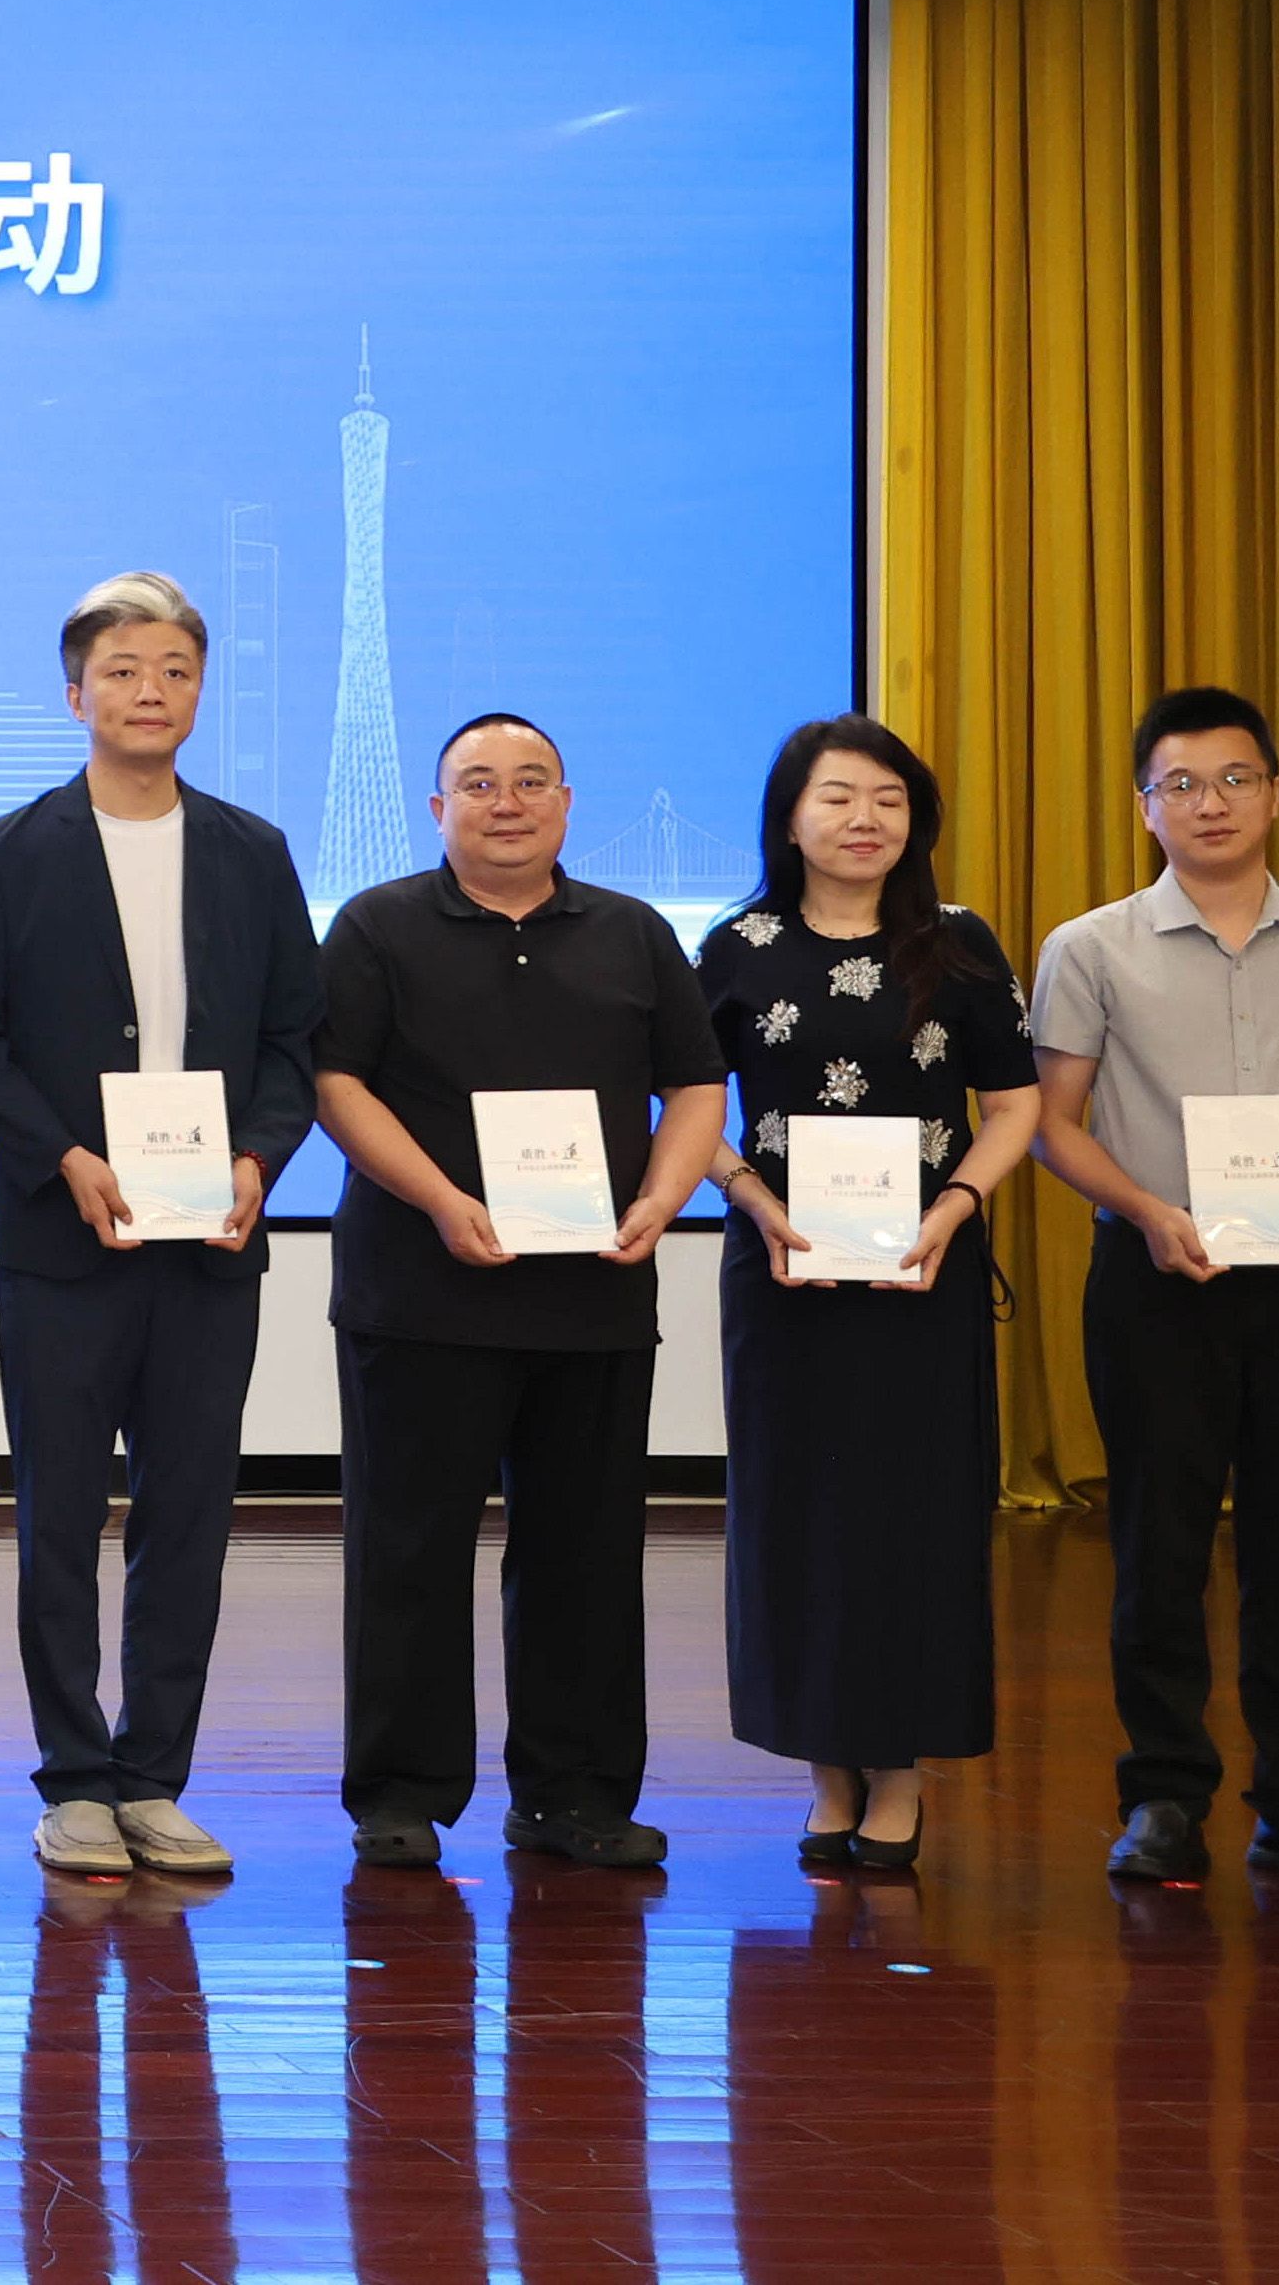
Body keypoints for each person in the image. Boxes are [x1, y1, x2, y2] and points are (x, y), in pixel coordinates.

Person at [0, 570, 325, 1881]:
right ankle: (73, 1778)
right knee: (58, 1514)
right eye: (121, 670)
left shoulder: (253, 852)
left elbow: (293, 1038)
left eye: (173, 670)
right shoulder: (10, 851)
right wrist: (65, 1159)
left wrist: (261, 1157)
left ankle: (155, 1776)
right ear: (75, 694)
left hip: (211, 1242)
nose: (149, 691)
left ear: (200, 692)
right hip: (65, 1239)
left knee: (189, 1513)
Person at [1028, 684, 1279, 1890]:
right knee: (1157, 1545)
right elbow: (1052, 1121)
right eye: (1182, 784)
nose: (1210, 803)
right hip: (1156, 1278)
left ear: (1274, 792)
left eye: (1235, 778)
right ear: (1145, 805)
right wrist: (1148, 1210)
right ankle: (1162, 1797)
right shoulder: (1089, 946)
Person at [309, 712, 730, 1874]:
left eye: (532, 781)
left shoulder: (634, 932)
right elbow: (335, 1083)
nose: (508, 802)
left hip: (594, 1298)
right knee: (408, 1552)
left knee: (584, 1555)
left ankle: (573, 1795)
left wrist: (662, 1197)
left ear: (567, 802)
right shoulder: (377, 925)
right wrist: (443, 1199)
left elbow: (696, 1083)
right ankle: (400, 1793)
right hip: (418, 1291)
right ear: (437, 809)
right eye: (480, 783)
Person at [696, 717, 1037, 1873]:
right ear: (790, 817)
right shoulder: (736, 945)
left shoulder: (960, 943)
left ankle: (898, 1772)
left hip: (922, 1272)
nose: (864, 819)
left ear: (916, 820)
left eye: (888, 800)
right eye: (838, 797)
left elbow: (1016, 1103)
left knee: (913, 1515)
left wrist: (958, 1207)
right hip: (783, 1271)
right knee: (795, 1513)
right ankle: (825, 1772)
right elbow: (680, 1103)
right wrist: (746, 1190)